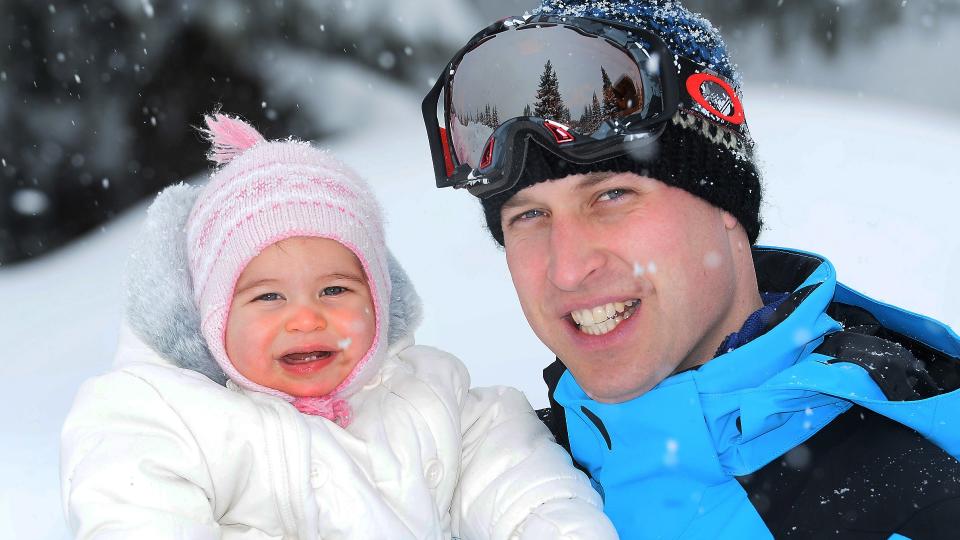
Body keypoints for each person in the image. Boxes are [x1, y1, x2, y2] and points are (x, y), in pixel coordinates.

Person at [422, 1, 960, 538]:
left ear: (726, 205)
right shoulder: (497, 491)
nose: (568, 269)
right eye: (530, 216)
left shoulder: (908, 507)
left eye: (612, 195)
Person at [60, 113, 618, 539]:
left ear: (378, 299)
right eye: (268, 296)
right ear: (214, 317)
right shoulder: (166, 415)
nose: (306, 317)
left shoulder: (434, 399)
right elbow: (135, 512)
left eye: (335, 290)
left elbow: (522, 485)